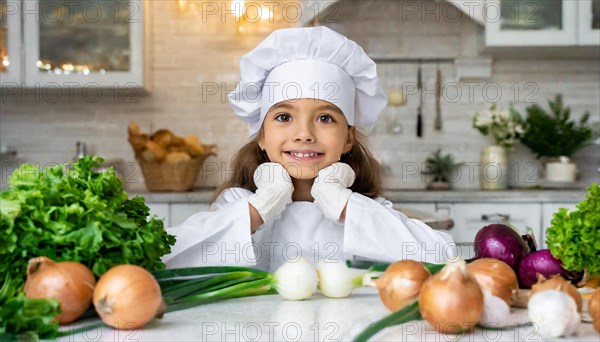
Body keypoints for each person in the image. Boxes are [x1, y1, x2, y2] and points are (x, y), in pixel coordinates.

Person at [163, 26, 455, 272]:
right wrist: (259, 208)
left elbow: (444, 257)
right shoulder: (239, 202)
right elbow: (168, 260)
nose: (304, 134)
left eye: (325, 118)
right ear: (262, 136)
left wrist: (344, 204)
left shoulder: (365, 209)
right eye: (284, 117)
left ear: (348, 139)